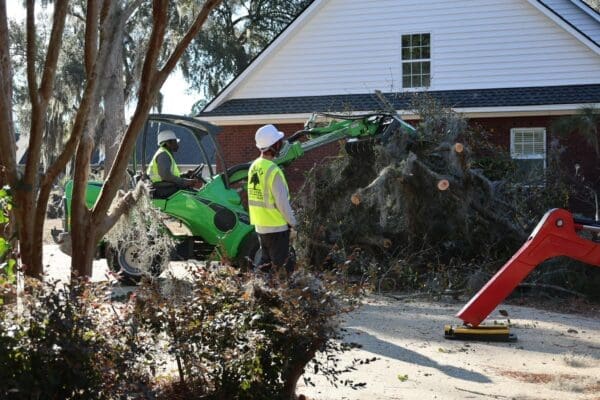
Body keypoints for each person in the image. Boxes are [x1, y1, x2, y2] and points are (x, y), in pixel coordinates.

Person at [248, 124, 297, 275]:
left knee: (265, 267)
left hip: (261, 227)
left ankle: (256, 292)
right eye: (279, 142)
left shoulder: (254, 167)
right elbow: (282, 204)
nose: (281, 144)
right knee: (281, 270)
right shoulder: (273, 171)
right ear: (274, 145)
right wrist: (294, 224)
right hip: (277, 228)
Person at [147, 130, 202, 198]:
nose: (177, 144)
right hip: (162, 189)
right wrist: (185, 182)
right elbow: (166, 176)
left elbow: (170, 176)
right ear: (168, 142)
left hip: (165, 187)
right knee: (194, 197)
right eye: (175, 142)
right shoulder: (163, 155)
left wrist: (185, 174)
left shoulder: (166, 153)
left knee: (194, 194)